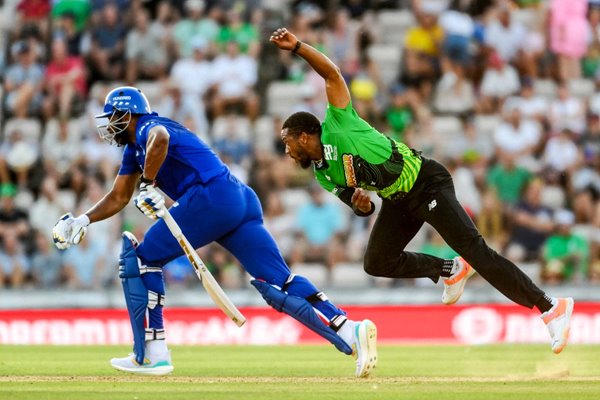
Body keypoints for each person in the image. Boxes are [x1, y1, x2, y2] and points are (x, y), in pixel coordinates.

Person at [270, 27, 574, 354]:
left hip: (426, 182)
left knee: (478, 253)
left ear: (304, 136)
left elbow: (332, 74)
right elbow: (364, 207)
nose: (286, 152)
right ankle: (449, 269)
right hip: (398, 200)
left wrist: (299, 47)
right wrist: (361, 206)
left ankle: (551, 307)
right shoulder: (323, 174)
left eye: (288, 143)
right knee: (376, 261)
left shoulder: (338, 121)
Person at [51, 86, 377, 377]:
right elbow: (119, 196)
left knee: (140, 261)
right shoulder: (134, 151)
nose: (109, 126)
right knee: (278, 281)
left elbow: (160, 139)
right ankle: (349, 330)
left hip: (211, 196)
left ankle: (152, 354)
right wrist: (83, 220)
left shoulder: (149, 127)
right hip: (238, 198)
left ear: (129, 114)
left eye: (113, 118)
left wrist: (149, 185)